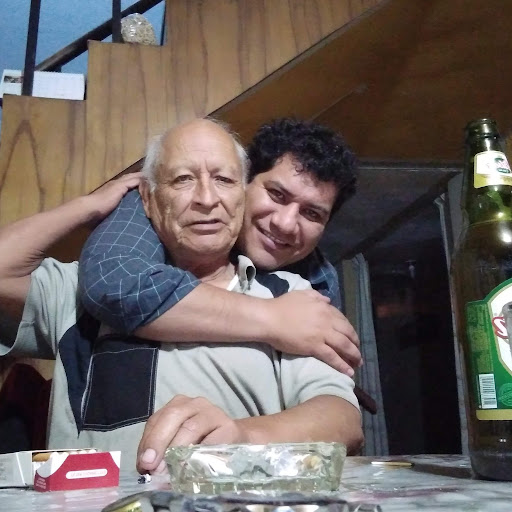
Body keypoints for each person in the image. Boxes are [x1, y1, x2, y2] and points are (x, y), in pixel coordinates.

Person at [0, 119, 362, 472]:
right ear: (148, 198)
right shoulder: (77, 290)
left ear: (241, 193)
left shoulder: (291, 297)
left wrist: (242, 437)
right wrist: (89, 206)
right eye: (183, 179)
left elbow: (341, 418)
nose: (206, 198)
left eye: (223, 180)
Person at [79, 118, 361, 380]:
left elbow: (327, 388)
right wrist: (273, 318)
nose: (286, 224)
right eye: (277, 195)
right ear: (242, 181)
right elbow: (115, 283)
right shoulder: (154, 206)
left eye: (312, 213)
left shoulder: (318, 280)